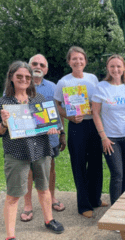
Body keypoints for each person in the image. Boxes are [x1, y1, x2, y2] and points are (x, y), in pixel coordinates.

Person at [1, 61, 64, 240]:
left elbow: (52, 123)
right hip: (17, 153)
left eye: (27, 77)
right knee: (13, 195)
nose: (23, 79)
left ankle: (49, 220)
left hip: (41, 150)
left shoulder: (39, 100)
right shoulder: (4, 103)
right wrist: (4, 123)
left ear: (31, 80)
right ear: (11, 78)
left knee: (44, 189)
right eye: (19, 76)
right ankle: (10, 236)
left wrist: (54, 128)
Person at [54, 46, 107, 218]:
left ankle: (96, 199)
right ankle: (83, 205)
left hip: (94, 125)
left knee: (96, 164)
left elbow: (99, 99)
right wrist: (68, 117)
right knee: (79, 165)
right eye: (74, 59)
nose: (78, 61)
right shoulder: (63, 82)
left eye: (81, 58)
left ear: (85, 60)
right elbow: (57, 105)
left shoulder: (93, 78)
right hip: (77, 127)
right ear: (69, 61)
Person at [19, 54, 67, 222]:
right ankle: (27, 205)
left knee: (50, 170)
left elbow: (58, 112)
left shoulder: (54, 87)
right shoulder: (19, 85)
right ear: (28, 66)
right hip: (27, 138)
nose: (38, 66)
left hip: (50, 139)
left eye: (42, 64)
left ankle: (52, 198)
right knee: (28, 171)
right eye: (34, 63)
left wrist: (62, 133)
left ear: (46, 69)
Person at [92, 54, 125, 205]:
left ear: (124, 68)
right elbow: (95, 113)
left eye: (118, 66)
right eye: (112, 66)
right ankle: (115, 211)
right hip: (111, 139)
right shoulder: (101, 87)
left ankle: (124, 204)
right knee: (117, 174)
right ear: (107, 68)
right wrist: (103, 137)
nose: (115, 69)